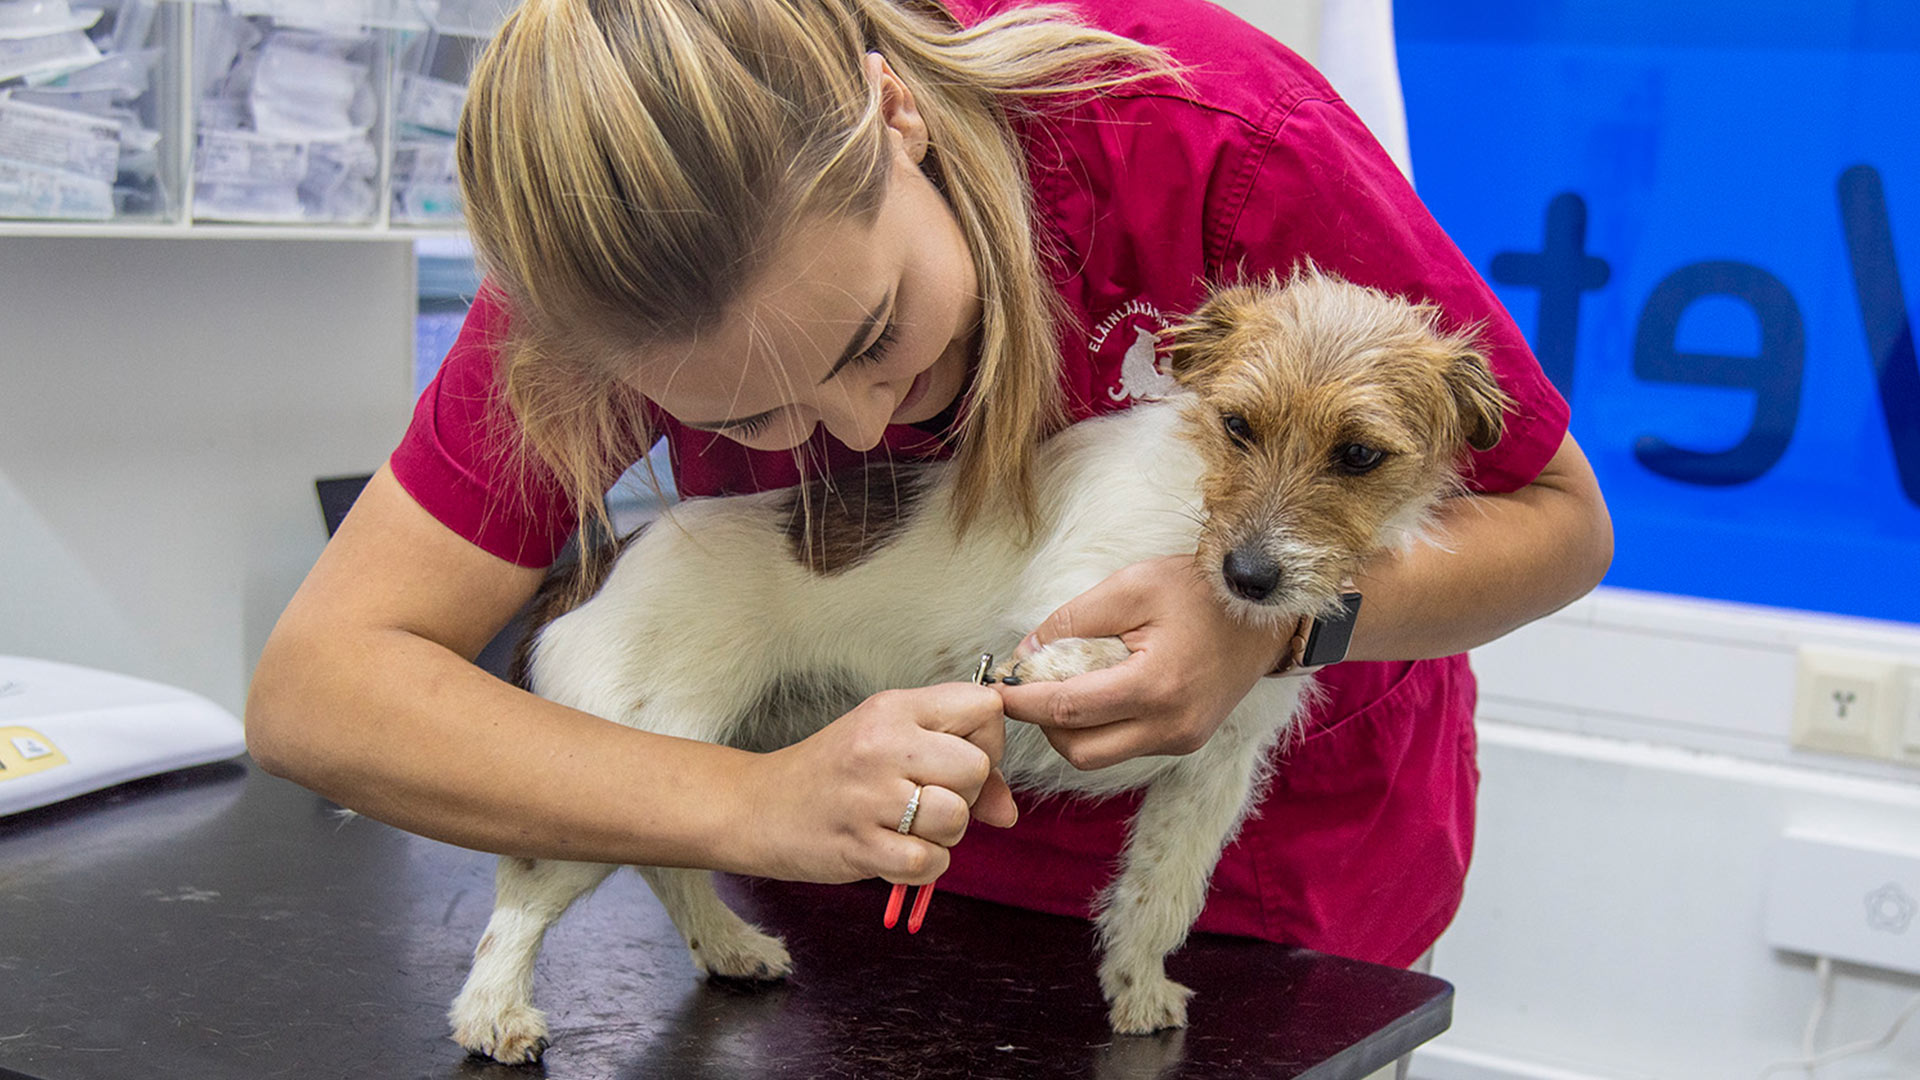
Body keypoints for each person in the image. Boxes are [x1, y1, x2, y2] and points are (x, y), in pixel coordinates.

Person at [246, 0, 1611, 976]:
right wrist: (750, 803)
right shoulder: (606, 281)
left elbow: (1562, 523)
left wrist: (1283, 619)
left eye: (872, 335)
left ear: (895, 119)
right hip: (847, 892)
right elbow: (321, 689)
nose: (851, 424)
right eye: (744, 415)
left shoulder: (1211, 131)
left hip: (1260, 915)